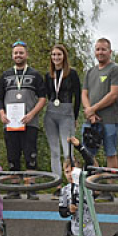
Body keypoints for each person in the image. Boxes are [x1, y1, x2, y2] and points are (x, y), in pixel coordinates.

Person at [0, 41, 46, 200]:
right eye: (16, 53)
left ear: (27, 54)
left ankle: (31, 188)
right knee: (13, 156)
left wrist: (32, 114)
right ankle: (14, 189)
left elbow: (43, 98)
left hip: (29, 122)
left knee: (30, 155)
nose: (18, 55)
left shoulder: (35, 75)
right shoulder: (5, 75)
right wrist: (2, 114)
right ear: (12, 55)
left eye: (21, 53)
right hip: (10, 122)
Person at [81, 38, 118, 202]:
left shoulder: (116, 69)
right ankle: (96, 185)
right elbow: (84, 93)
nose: (100, 52)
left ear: (110, 51)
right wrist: (90, 112)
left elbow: (113, 95)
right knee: (88, 153)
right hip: (91, 120)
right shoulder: (90, 71)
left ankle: (109, 188)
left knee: (110, 153)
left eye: (103, 49)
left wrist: (94, 108)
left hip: (110, 119)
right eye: (97, 49)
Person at [43, 44, 82, 179]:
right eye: (53, 55)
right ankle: (57, 182)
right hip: (50, 114)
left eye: (59, 54)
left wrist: (75, 117)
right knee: (54, 151)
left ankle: (72, 182)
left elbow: (78, 96)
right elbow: (47, 95)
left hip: (66, 113)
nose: (56, 57)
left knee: (68, 151)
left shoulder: (72, 73)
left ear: (64, 56)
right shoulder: (49, 75)